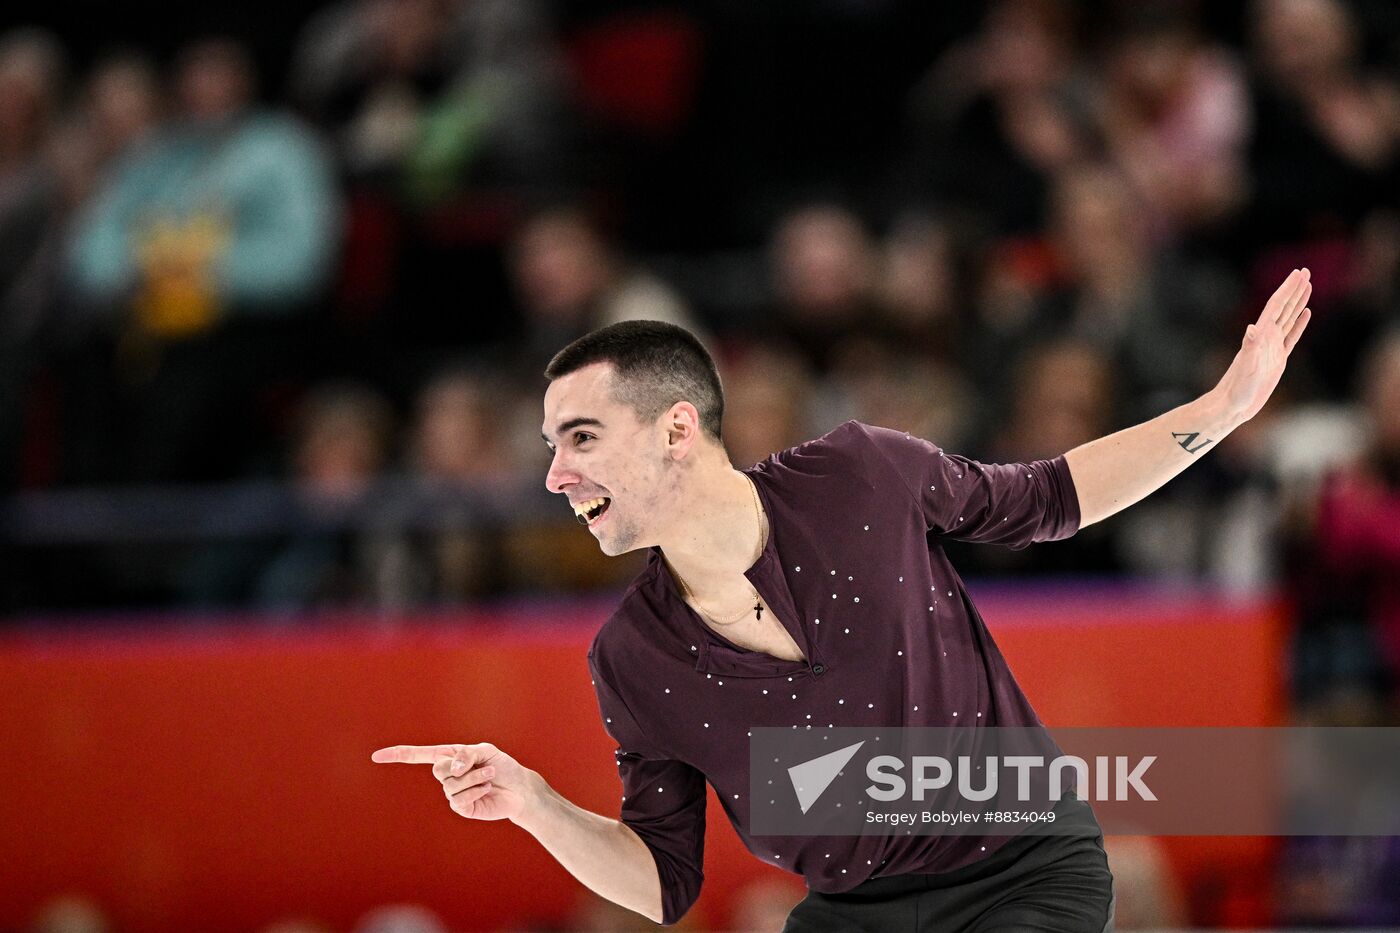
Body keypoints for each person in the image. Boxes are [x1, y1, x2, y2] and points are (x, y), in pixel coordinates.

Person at [372, 269, 1313, 930]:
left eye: (579, 437)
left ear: (675, 428)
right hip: (850, 916)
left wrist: (1223, 408)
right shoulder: (632, 658)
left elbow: (1051, 498)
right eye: (549, 444)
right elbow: (663, 880)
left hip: (1022, 871)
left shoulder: (861, 475)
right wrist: (535, 803)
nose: (553, 474)